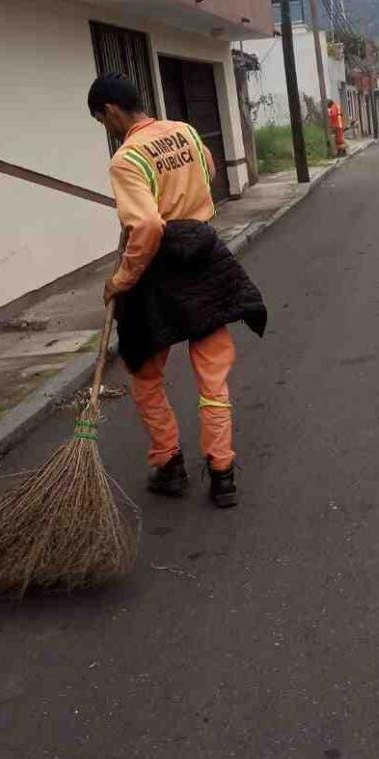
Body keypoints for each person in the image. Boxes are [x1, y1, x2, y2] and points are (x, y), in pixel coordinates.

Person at [88, 73, 267, 508]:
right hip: (204, 258)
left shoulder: (127, 158)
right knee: (213, 375)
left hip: (158, 276)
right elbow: (207, 167)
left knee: (146, 375)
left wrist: (121, 280)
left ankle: (169, 464)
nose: (106, 129)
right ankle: (222, 473)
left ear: (111, 111)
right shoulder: (185, 131)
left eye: (101, 120)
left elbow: (146, 227)